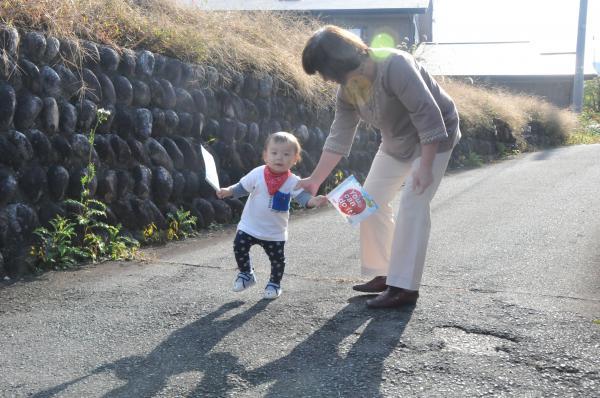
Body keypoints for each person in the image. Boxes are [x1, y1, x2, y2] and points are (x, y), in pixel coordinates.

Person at [298, 25, 461, 308]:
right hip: (395, 142)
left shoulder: (395, 64)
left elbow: (427, 113)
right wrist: (314, 179)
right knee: (366, 203)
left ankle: (404, 288)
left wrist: (425, 165)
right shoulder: (347, 90)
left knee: (413, 204)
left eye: (335, 75)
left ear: (349, 60)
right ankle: (383, 273)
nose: (336, 82)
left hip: (433, 139)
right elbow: (340, 135)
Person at [217, 132, 327, 299]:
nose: (279, 158)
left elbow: (303, 198)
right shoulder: (258, 173)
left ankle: (274, 283)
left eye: (286, 154)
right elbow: (242, 187)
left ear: (295, 159)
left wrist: (314, 201)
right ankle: (246, 274)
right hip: (250, 226)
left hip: (274, 232)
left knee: (277, 260)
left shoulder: (293, 181)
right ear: (265, 156)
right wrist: (228, 191)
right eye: (274, 153)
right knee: (239, 246)